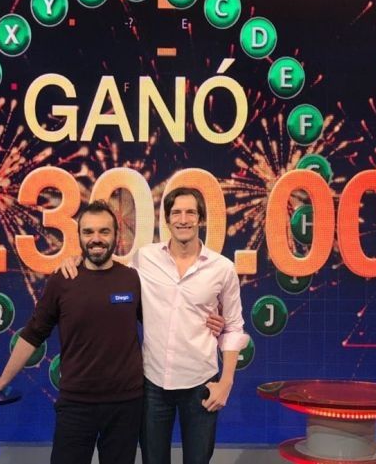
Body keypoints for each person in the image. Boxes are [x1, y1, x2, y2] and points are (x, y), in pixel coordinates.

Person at [0, 200, 224, 464]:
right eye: (88, 232)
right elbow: (33, 334)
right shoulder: (62, 280)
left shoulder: (132, 279)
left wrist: (211, 322)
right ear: (78, 236)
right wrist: (2, 380)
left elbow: (167, 319)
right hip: (76, 404)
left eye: (104, 231)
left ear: (116, 236)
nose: (96, 239)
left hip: (126, 405)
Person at [60, 188, 249, 464]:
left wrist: (226, 383)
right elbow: (108, 270)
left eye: (190, 213)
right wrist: (77, 259)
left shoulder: (222, 268)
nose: (183, 219)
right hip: (152, 384)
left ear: (201, 219)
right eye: (176, 213)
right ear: (167, 220)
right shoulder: (144, 258)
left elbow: (233, 327)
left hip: (201, 383)